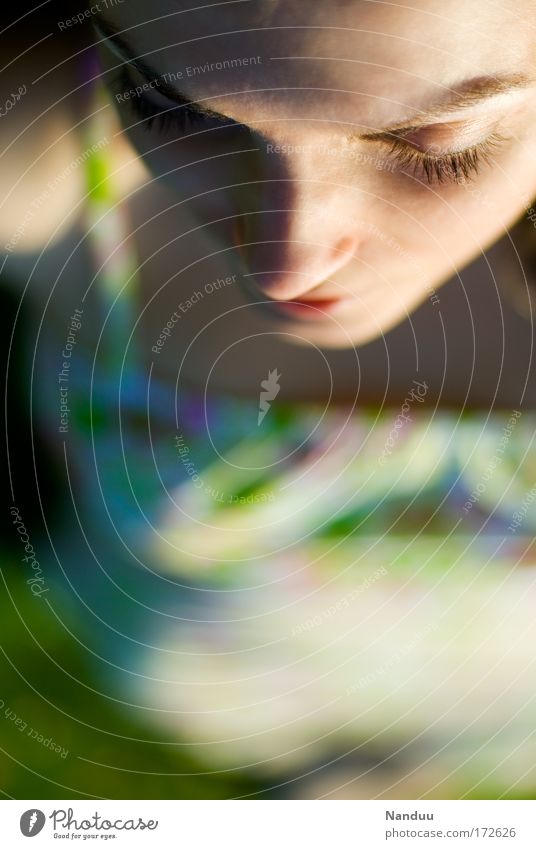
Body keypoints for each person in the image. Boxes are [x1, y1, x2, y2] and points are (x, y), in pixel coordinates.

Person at [3, 0, 536, 799]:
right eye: (168, 104)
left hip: (498, 697)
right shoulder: (52, 161)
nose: (289, 263)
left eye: (438, 142)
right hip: (225, 683)